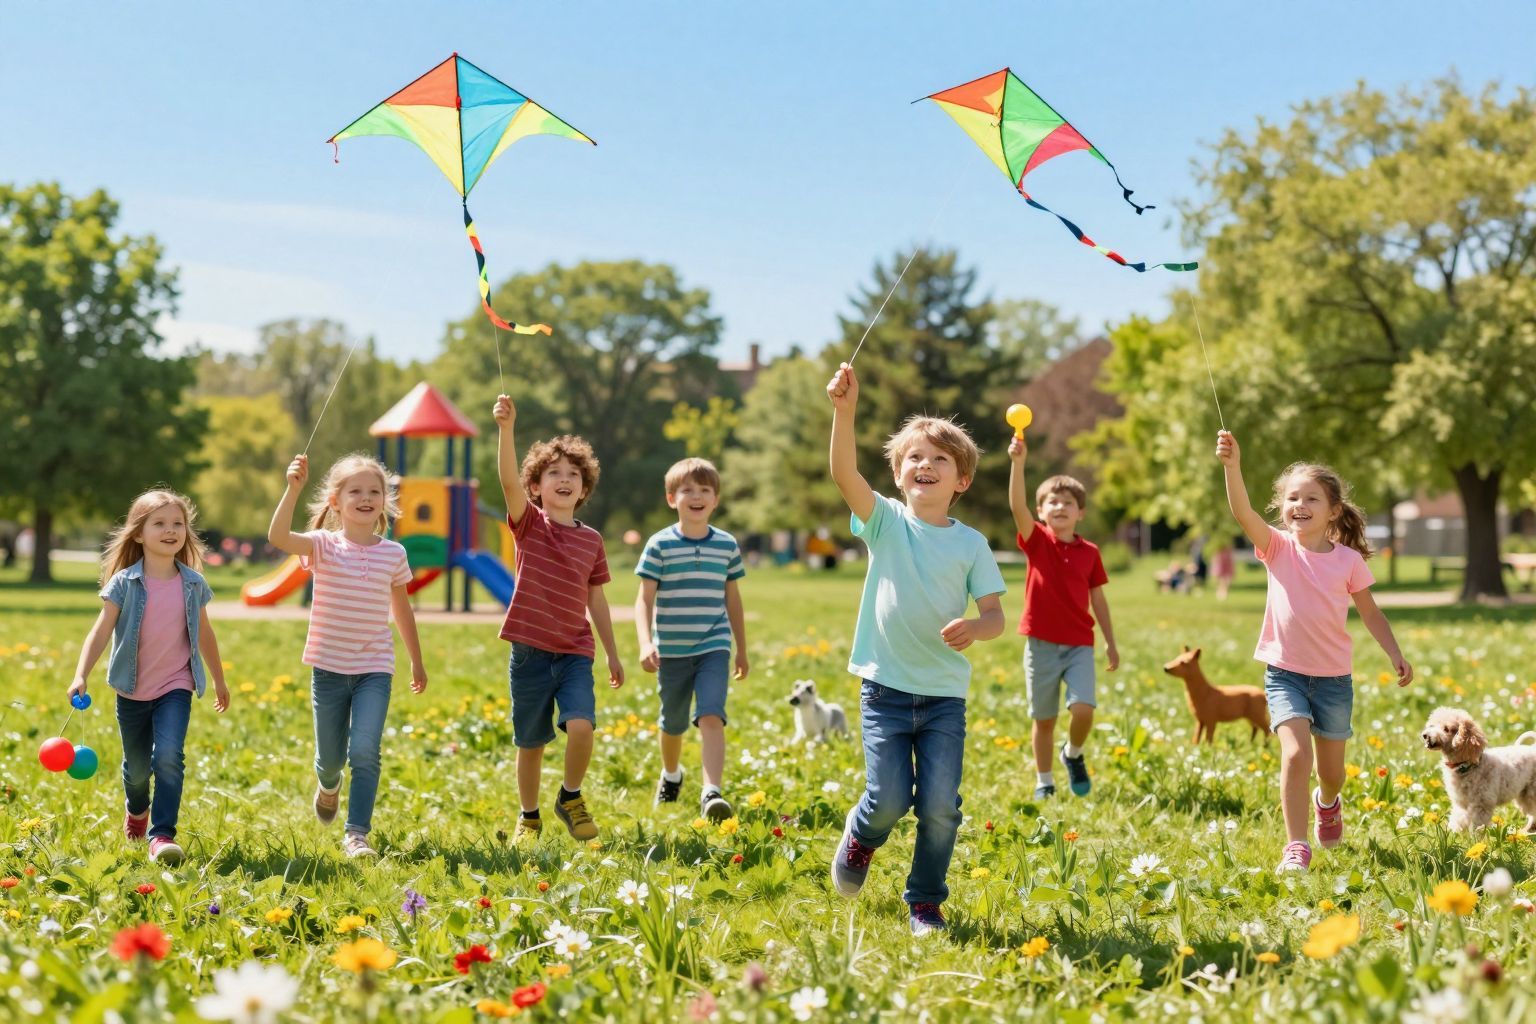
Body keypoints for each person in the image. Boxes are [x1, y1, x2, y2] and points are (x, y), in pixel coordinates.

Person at [824, 362, 1006, 936]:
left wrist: (976, 628)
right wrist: (844, 411)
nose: (924, 465)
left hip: (944, 696)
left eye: (939, 460)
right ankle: (860, 839)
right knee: (887, 799)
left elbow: (997, 616)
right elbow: (842, 471)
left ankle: (925, 900)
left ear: (962, 481)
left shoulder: (973, 544)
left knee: (939, 807)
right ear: (899, 476)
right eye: (913, 459)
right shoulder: (885, 523)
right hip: (884, 689)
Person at [1217, 430, 1412, 873]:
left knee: (1331, 773)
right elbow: (1242, 511)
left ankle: (1328, 802)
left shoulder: (1348, 561)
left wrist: (1394, 653)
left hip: (1333, 680)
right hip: (1284, 672)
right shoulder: (1276, 547)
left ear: (1333, 511)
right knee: (1295, 755)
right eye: (1291, 499)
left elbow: (1371, 613)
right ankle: (1296, 846)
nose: (1298, 506)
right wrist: (1233, 467)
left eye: (1311, 500)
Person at [268, 452, 428, 859]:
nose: (366, 497)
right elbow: (278, 537)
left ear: (384, 501)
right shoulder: (322, 545)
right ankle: (328, 785)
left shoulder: (393, 554)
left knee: (365, 751)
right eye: (355, 491)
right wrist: (292, 490)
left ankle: (357, 833)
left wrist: (416, 659)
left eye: (374, 491)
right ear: (336, 501)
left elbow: (402, 609)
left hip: (375, 666)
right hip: (329, 668)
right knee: (331, 760)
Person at [68, 490, 230, 865]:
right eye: (160, 523)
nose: (171, 530)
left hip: (176, 685)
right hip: (132, 689)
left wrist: (219, 680)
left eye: (178, 524)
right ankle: (137, 812)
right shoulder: (125, 583)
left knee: (169, 756)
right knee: (138, 770)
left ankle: (162, 836)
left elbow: (205, 633)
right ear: (139, 534)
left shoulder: (193, 583)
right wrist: (81, 673)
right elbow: (101, 630)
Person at [493, 394, 624, 845]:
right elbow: (507, 481)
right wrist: (507, 429)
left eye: (573, 475)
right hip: (529, 652)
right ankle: (528, 817)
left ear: (584, 488)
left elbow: (597, 599)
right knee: (530, 745)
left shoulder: (592, 541)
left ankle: (570, 796)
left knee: (582, 726)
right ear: (537, 487)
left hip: (573, 651)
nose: (564, 480)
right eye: (554, 474)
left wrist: (612, 654)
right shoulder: (529, 524)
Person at [634, 457, 748, 822]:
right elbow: (644, 599)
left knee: (711, 714)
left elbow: (733, 598)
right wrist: (645, 643)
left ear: (715, 500)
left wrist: (740, 648)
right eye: (687, 490)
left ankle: (711, 791)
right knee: (673, 724)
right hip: (671, 651)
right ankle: (671, 774)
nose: (696, 496)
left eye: (704, 490)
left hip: (713, 646)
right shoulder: (659, 545)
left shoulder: (727, 545)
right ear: (672, 498)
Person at [1006, 438, 1118, 800]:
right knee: (1044, 720)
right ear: (1041, 511)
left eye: (1068, 502)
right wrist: (1019, 463)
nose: (1060, 506)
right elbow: (1015, 505)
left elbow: (1098, 598)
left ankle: (1073, 753)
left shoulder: (1090, 553)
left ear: (1080, 513)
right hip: (1040, 645)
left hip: (1079, 645)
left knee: (1084, 708)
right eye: (1052, 501)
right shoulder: (1037, 541)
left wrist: (1111, 643)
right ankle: (1044, 781)